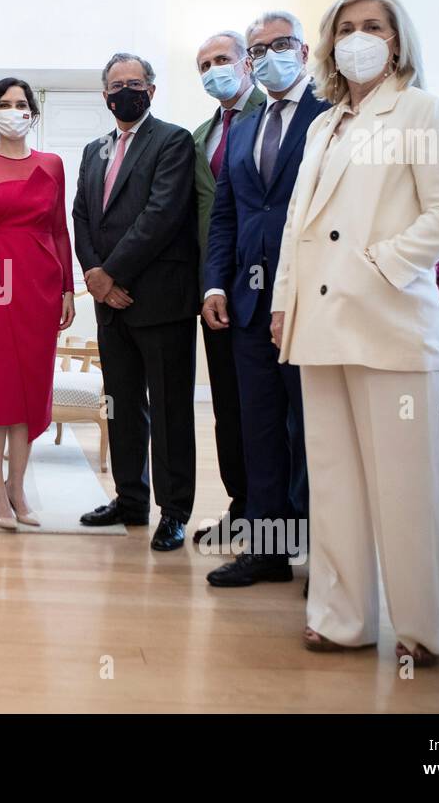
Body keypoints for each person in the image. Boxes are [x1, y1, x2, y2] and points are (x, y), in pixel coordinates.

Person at [271, 0, 439, 664]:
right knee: (333, 480)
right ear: (330, 44)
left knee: (406, 484)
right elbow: (298, 224)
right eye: (347, 28)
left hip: (385, 319)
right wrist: (283, 303)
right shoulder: (325, 124)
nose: (360, 37)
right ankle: (343, 616)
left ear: (397, 37)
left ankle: (425, 627)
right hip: (319, 323)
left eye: (374, 26)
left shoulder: (420, 109)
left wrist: (381, 264)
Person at [202, 11, 328, 587]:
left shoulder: (331, 116)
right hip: (249, 304)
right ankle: (269, 551)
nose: (270, 54)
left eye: (282, 44)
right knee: (259, 428)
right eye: (260, 48)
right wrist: (215, 283)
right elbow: (226, 214)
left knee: (315, 428)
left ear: (302, 51)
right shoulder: (244, 131)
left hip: (314, 299)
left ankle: (330, 554)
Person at [73, 53, 199, 552]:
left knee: (168, 410)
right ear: (104, 95)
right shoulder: (93, 149)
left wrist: (111, 273)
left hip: (159, 298)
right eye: (116, 84)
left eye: (135, 82)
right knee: (121, 405)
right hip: (110, 302)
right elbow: (82, 215)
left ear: (151, 89)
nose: (126, 91)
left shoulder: (172, 140)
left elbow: (161, 214)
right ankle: (130, 499)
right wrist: (95, 278)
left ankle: (174, 511)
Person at [0, 78, 75, 530]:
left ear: (33, 113)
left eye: (22, 104)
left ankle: (17, 485)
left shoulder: (53, 164)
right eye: (5, 104)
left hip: (40, 285)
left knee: (30, 386)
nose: (14, 110)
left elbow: (60, 230)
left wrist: (66, 287)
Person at [189, 31, 261, 546]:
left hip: (264, 285)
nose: (215, 69)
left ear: (247, 63)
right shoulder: (200, 136)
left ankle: (278, 515)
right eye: (205, 64)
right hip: (215, 290)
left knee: (268, 406)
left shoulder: (276, 116)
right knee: (228, 406)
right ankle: (241, 505)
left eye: (223, 59)